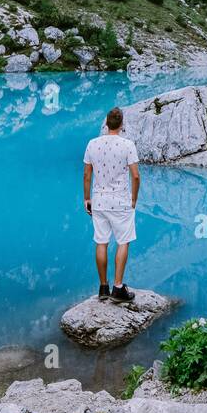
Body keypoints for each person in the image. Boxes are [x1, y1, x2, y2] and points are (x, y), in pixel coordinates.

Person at [83, 106, 140, 303]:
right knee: (123, 241)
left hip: (99, 201)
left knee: (101, 242)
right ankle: (118, 287)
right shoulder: (127, 145)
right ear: (122, 124)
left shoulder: (92, 144)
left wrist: (87, 198)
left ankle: (103, 287)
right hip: (121, 202)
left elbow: (86, 174)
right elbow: (135, 175)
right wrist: (134, 198)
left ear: (106, 124)